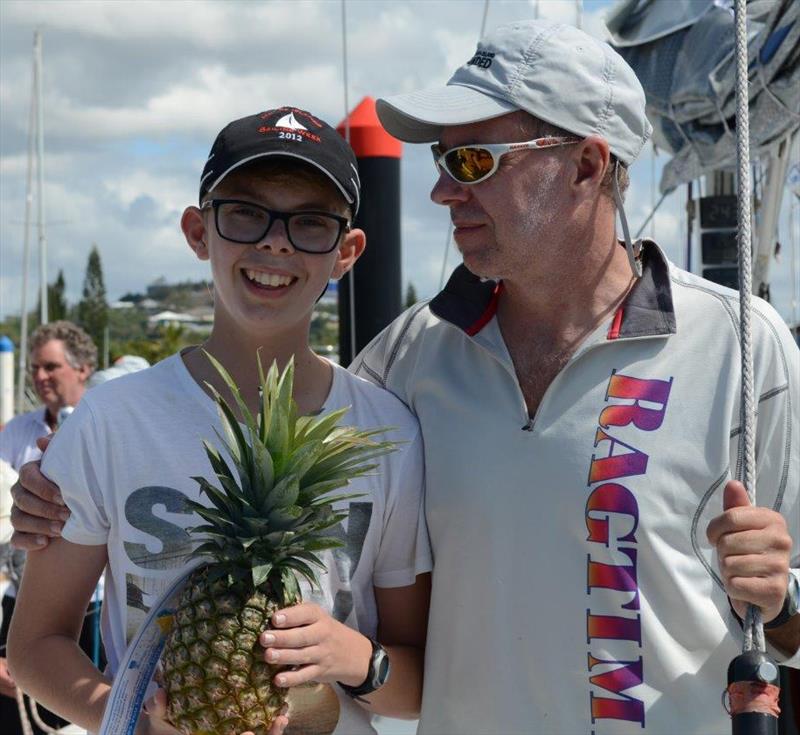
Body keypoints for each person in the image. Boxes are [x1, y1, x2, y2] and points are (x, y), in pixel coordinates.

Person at [9, 22, 800, 735]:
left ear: (588, 165)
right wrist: (53, 482)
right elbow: (262, 432)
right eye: (439, 160)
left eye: (471, 160)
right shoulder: (407, 362)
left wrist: (783, 595)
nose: (440, 190)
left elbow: (791, 623)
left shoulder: (743, 348)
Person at [7, 106, 431, 735]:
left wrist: (357, 661)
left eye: (310, 223)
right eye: (245, 213)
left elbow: (419, 681)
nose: (275, 241)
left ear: (347, 252)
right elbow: (36, 643)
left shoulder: (387, 435)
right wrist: (131, 722)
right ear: (198, 231)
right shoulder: (112, 421)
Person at [0, 320, 102, 735]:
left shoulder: (105, 431)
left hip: (91, 609)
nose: (39, 377)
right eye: (34, 369)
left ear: (82, 369)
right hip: (19, 599)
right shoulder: (16, 433)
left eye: (50, 367)